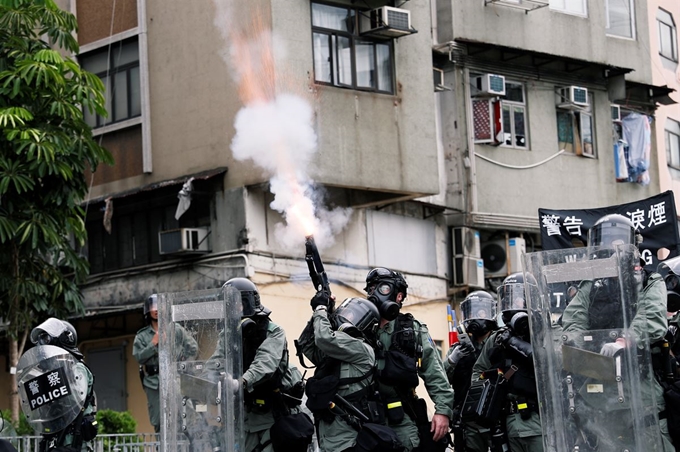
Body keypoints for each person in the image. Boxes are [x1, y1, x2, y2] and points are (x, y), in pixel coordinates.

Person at [561, 214, 674, 451]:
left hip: (640, 384)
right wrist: (580, 345)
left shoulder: (648, 280)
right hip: (600, 385)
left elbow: (651, 319)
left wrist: (625, 341)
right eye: (605, 240)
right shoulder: (591, 284)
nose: (611, 247)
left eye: (618, 239)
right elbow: (573, 321)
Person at [210, 277, 308, 452]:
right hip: (247, 415)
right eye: (229, 304)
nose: (233, 309)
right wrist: (203, 380)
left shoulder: (273, 331)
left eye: (237, 303)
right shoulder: (228, 335)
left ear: (247, 303)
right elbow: (215, 362)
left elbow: (265, 363)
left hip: (275, 414)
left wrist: (241, 382)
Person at [363, 267, 454, 451]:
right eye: (371, 289)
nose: (375, 293)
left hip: (400, 416)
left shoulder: (412, 331)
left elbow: (435, 373)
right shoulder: (354, 326)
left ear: (399, 296)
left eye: (383, 288)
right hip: (360, 415)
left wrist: (443, 411)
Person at [300, 294, 398, 452]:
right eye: (344, 314)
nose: (344, 319)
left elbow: (324, 338)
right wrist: (325, 313)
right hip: (328, 435)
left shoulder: (363, 349)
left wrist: (321, 309)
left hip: (348, 438)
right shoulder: (337, 351)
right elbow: (307, 344)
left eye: (353, 316)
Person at [471, 273, 544, 452]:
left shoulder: (546, 333)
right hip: (508, 424)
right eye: (509, 298)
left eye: (519, 298)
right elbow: (477, 373)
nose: (515, 304)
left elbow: (551, 363)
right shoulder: (497, 338)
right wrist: (487, 400)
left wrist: (514, 343)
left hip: (541, 422)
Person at [28, 318, 98, 452]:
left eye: (46, 339)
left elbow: (75, 400)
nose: (42, 345)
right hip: (54, 438)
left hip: (73, 440)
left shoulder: (77, 368)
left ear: (64, 339)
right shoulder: (48, 373)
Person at [133, 293, 198, 433]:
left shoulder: (176, 329)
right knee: (159, 421)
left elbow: (193, 348)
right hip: (153, 382)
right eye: (153, 307)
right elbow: (138, 357)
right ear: (148, 310)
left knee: (187, 415)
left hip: (175, 377)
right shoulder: (142, 335)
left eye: (159, 306)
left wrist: (183, 362)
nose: (156, 310)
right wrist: (153, 344)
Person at [444, 290, 498, 452]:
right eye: (472, 312)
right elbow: (440, 380)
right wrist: (453, 360)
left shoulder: (500, 343)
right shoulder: (458, 349)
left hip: (495, 417)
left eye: (481, 311)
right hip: (467, 421)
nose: (476, 316)